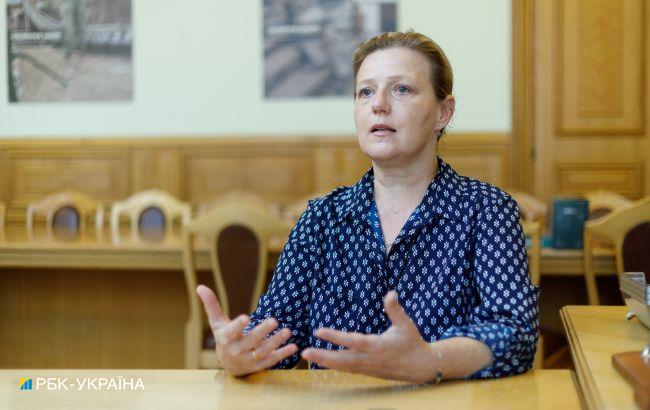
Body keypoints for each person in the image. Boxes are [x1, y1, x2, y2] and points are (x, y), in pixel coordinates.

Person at [197, 30, 539, 383]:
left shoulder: (487, 210)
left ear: (443, 112)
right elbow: (275, 335)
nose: (379, 105)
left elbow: (515, 334)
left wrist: (431, 359)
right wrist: (239, 353)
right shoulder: (321, 219)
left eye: (401, 89)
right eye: (366, 92)